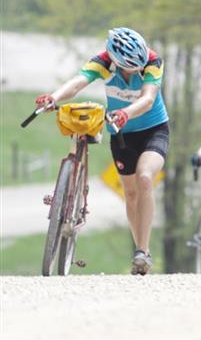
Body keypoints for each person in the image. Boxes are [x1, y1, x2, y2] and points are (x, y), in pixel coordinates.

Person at [34, 27, 168, 275]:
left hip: (153, 128)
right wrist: (54, 98)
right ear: (116, 61)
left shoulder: (152, 61)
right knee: (130, 194)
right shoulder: (104, 62)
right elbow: (78, 82)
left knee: (145, 179)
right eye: (129, 67)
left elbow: (149, 98)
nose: (135, 72)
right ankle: (139, 252)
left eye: (138, 67)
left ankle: (143, 250)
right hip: (122, 134)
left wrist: (125, 112)